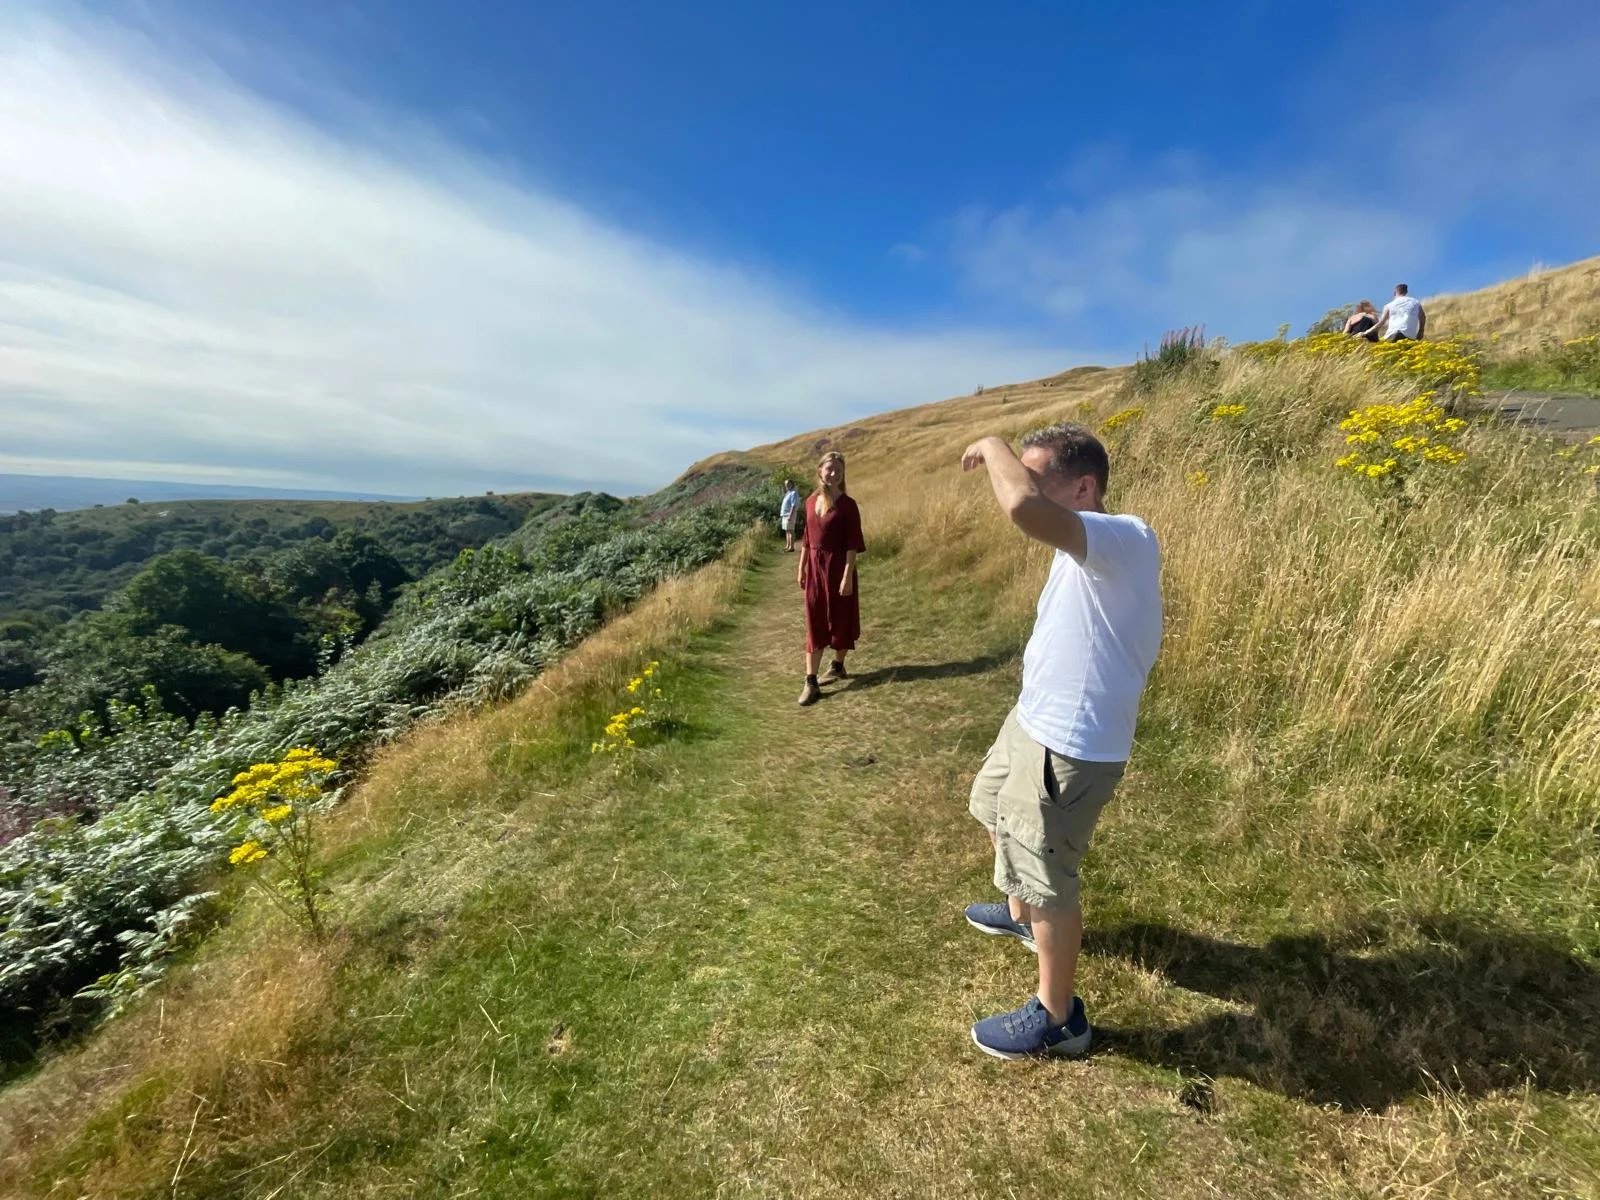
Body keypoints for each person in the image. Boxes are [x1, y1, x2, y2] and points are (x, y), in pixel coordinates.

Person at [958, 422, 1162, 1059]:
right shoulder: (1082, 547)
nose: (1021, 481)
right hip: (1032, 722)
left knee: (1049, 876)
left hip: (1068, 746)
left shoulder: (1122, 537)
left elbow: (1021, 506)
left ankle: (1060, 1020)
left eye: (1036, 471)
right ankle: (1022, 909)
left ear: (1083, 486)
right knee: (989, 804)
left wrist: (991, 443)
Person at [797, 451, 864, 707]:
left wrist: (847, 576)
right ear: (820, 471)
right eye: (829, 469)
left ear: (842, 474)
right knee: (814, 620)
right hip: (815, 569)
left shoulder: (848, 505)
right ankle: (811, 681)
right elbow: (807, 537)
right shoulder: (810, 501)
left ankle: (838, 665)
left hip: (839, 569)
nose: (833, 473)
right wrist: (802, 567)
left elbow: (852, 545)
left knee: (841, 617)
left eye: (838, 469)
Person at [779, 479, 801, 553]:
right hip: (785, 514)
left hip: (789, 514)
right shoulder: (788, 493)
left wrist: (790, 515)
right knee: (787, 530)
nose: (787, 486)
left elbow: (793, 505)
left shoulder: (794, 493)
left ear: (791, 484)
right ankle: (788, 545)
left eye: (788, 484)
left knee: (791, 530)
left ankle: (791, 547)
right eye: (786, 484)